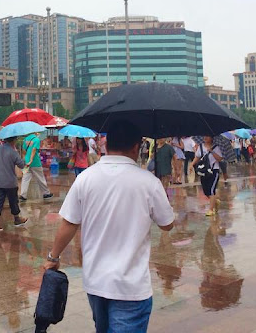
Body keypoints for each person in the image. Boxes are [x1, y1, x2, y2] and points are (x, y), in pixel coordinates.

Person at [44, 120, 174, 332]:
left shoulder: (86, 178)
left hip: (95, 282)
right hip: (130, 287)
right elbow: (167, 224)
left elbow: (69, 223)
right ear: (136, 147)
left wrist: (53, 258)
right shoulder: (149, 182)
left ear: (106, 144)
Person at [0, 136, 28, 231]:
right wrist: (23, 156)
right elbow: (22, 165)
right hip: (10, 182)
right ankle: (17, 219)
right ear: (13, 140)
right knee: (13, 201)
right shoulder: (13, 152)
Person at [192, 136, 223, 216]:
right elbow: (197, 157)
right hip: (204, 171)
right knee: (206, 191)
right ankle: (214, 200)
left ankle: (211, 209)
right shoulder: (200, 147)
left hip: (214, 171)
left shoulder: (216, 147)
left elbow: (220, 159)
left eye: (207, 136)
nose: (205, 137)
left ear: (212, 138)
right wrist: (191, 165)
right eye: (204, 136)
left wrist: (212, 151)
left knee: (212, 190)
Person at [19, 132, 53, 202]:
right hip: (35, 162)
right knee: (40, 178)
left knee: (25, 178)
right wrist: (31, 160)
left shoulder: (26, 139)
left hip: (26, 162)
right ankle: (46, 193)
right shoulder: (36, 140)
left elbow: (24, 150)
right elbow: (34, 150)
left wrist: (26, 159)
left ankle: (23, 195)